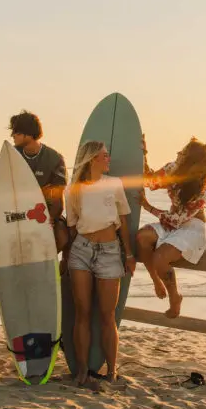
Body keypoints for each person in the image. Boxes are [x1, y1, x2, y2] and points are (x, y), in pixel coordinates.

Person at [62, 141, 135, 388]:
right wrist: (65, 258)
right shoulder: (73, 189)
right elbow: (72, 227)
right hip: (81, 251)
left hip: (110, 251)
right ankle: (82, 370)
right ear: (92, 159)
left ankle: (112, 371)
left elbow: (123, 221)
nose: (108, 159)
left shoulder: (113, 184)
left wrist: (129, 255)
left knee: (107, 315)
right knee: (81, 313)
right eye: (104, 156)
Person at [0, 110, 68, 254]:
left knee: (62, 235)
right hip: (14, 214)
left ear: (28, 134)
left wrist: (52, 217)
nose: (12, 136)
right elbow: (4, 192)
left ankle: (43, 260)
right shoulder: (11, 155)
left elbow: (58, 196)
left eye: (16, 132)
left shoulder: (54, 158)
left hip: (40, 213)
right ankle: (3, 257)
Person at [137, 136, 206, 319]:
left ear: (191, 162)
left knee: (160, 257)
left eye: (183, 152)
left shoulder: (201, 191)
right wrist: (143, 153)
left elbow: (177, 220)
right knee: (141, 238)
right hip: (171, 222)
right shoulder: (173, 168)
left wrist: (148, 207)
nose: (178, 153)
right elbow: (150, 181)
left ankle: (175, 297)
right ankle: (156, 280)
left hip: (191, 227)